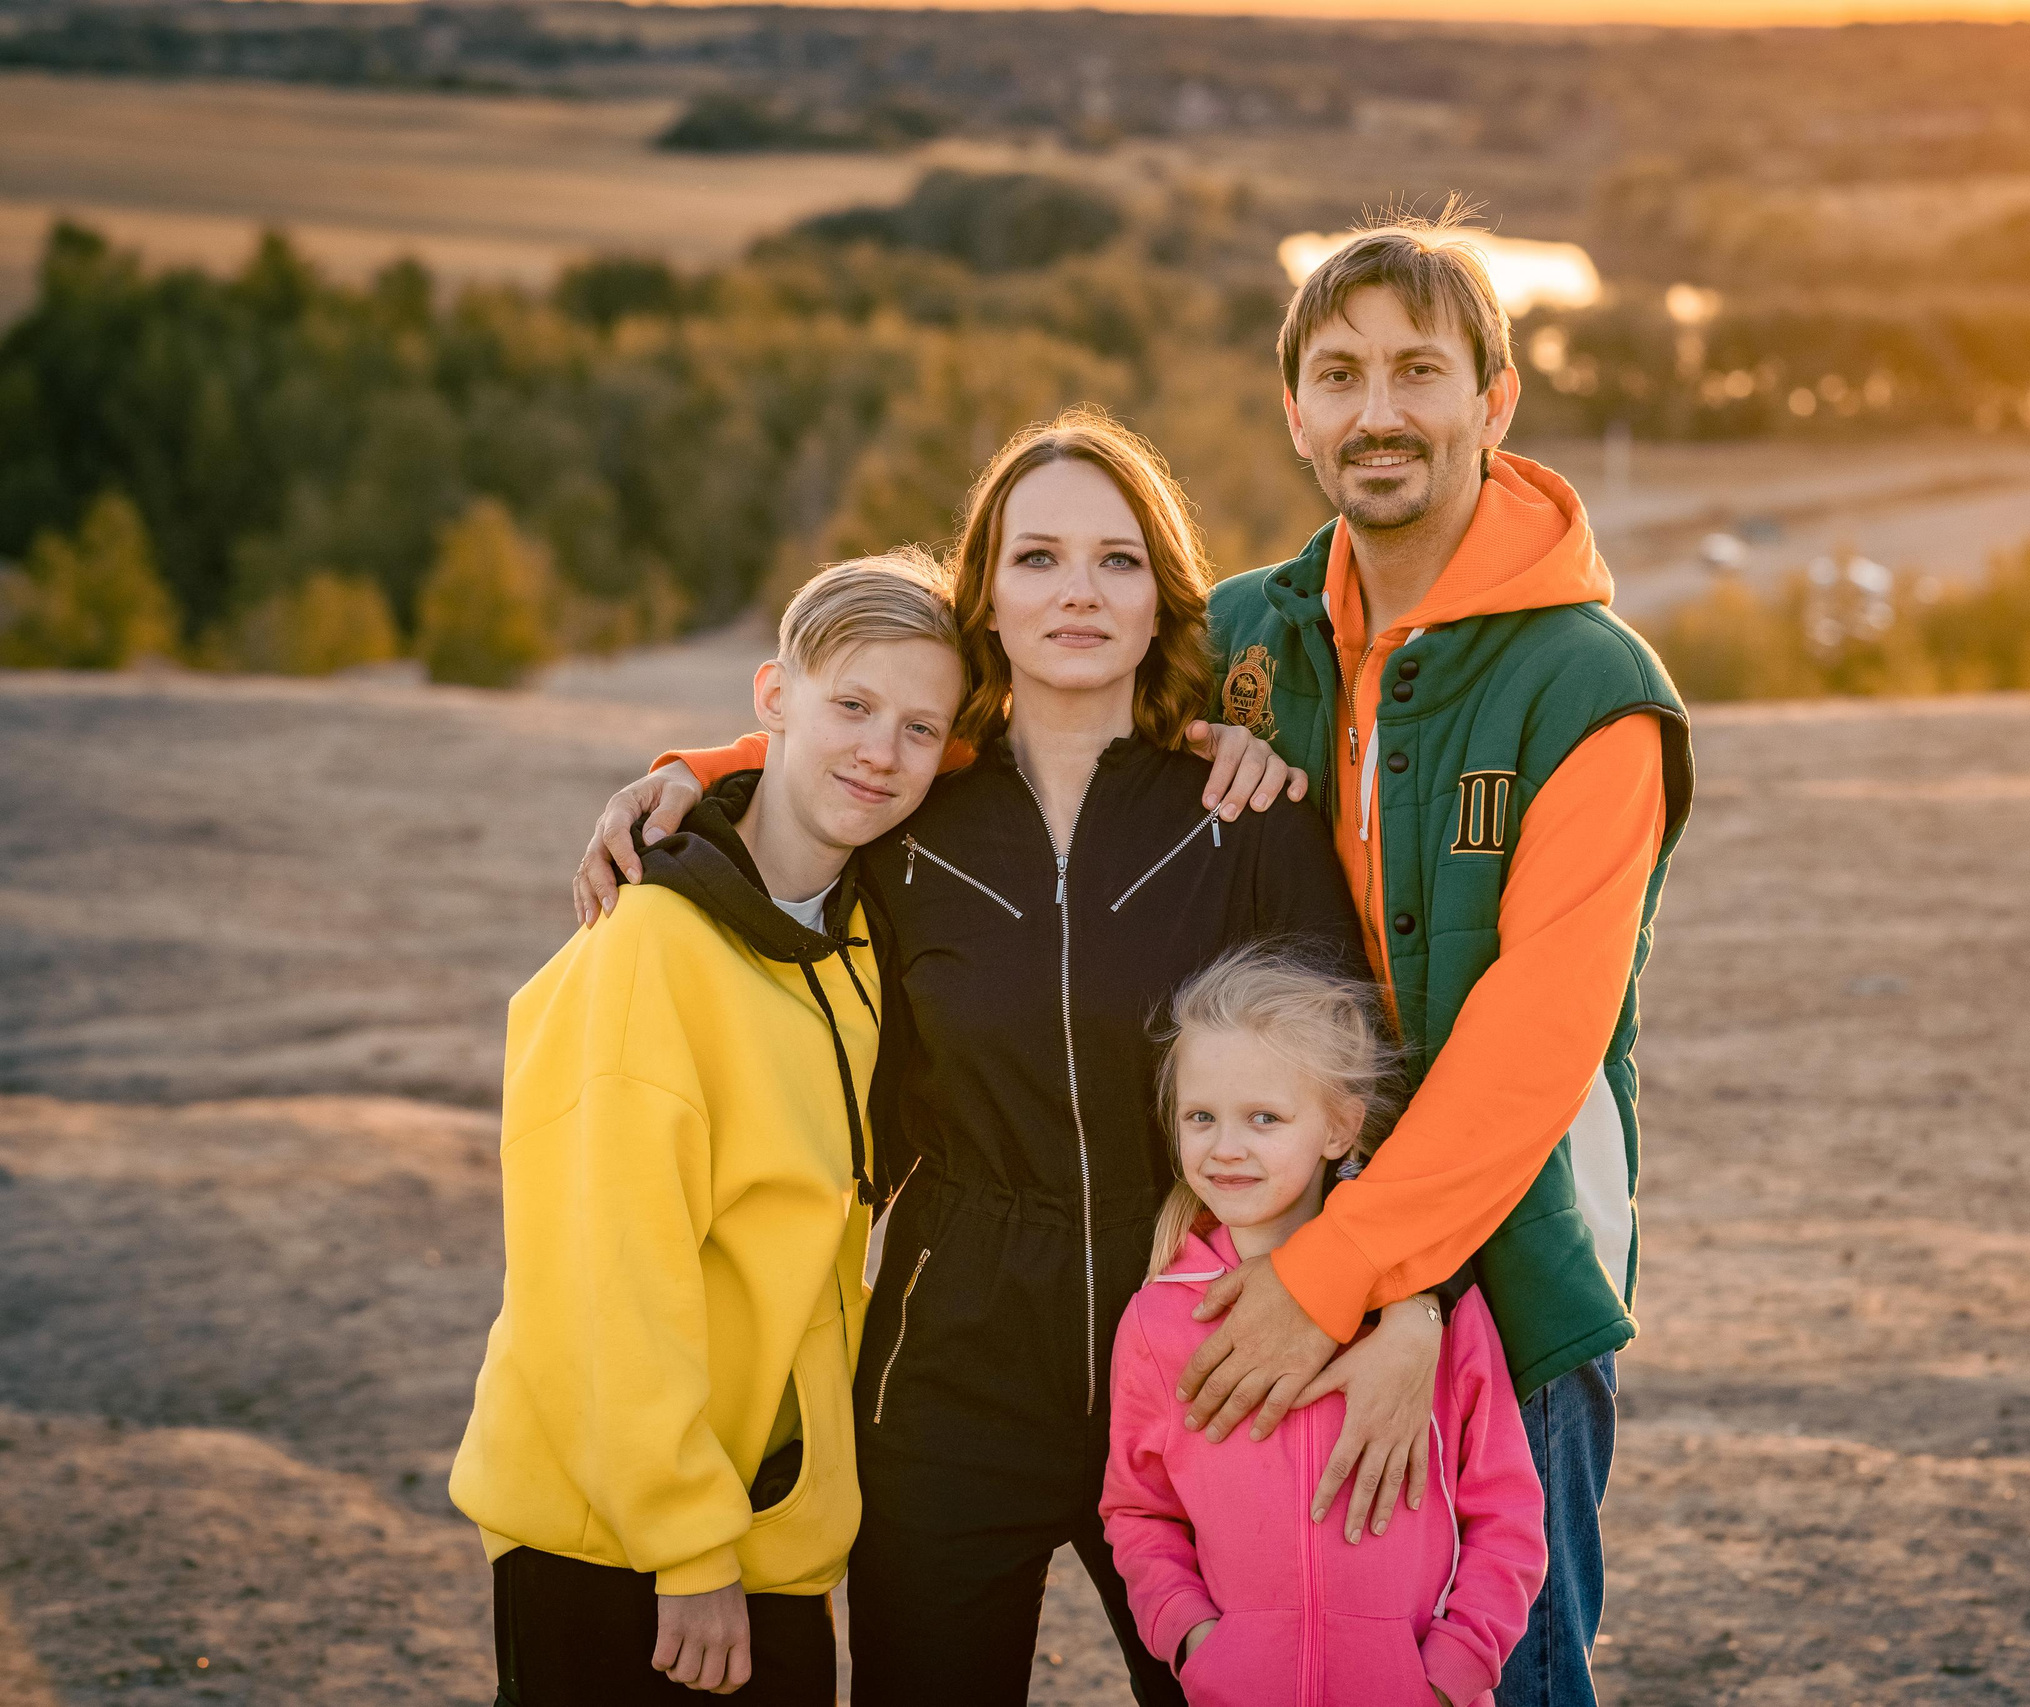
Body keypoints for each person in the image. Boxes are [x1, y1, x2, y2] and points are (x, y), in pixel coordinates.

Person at [578, 409, 1464, 1704]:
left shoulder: (1246, 813)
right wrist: (685, 786)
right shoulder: (906, 818)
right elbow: (797, 803)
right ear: (984, 595)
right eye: (1038, 557)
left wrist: (1408, 1301)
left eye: (1117, 560)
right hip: (949, 1365)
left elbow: (1358, 1096)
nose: (1078, 592)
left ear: (1163, 597)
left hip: (1205, 1353)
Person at [1177, 210, 1695, 1707]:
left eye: (1419, 370)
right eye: (1339, 376)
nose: (1379, 411)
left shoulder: (1589, 685)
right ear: (1295, 414)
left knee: (1498, 1672)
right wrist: (731, 772)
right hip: (1276, 1238)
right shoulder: (1242, 637)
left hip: (1513, 1266)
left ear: (1494, 400)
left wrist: (1340, 1280)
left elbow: (1535, 1044)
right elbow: (998, 713)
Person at [448, 552, 967, 1703]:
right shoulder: (649, 945)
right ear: (772, 696)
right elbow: (609, 1274)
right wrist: (685, 1545)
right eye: (851, 706)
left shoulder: (853, 940)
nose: (882, 753)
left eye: (920, 729)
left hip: (766, 1524)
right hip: (618, 1541)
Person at [1103, 948, 1546, 1707]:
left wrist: (1449, 1674)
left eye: (1264, 1118)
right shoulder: (1159, 1318)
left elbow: (1506, 1510)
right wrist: (1197, 1643)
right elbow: (1140, 1511)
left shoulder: (1430, 1313)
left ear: (1340, 1127)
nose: (1226, 1146)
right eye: (1201, 1116)